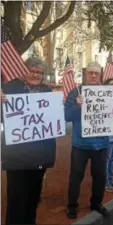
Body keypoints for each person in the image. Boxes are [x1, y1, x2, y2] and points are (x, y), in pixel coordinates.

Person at [1, 57, 56, 225]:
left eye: (39, 72)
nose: (35, 74)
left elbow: (54, 120)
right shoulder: (9, 89)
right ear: (23, 71)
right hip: (17, 156)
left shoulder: (47, 91)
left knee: (33, 198)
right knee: (16, 199)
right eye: (32, 70)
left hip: (39, 156)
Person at [65, 61, 113, 219]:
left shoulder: (108, 93)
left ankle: (96, 203)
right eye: (90, 73)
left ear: (100, 75)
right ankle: (72, 206)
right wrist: (77, 106)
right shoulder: (76, 92)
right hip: (80, 144)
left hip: (101, 143)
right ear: (85, 74)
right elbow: (66, 116)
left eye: (96, 73)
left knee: (100, 177)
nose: (93, 76)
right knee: (76, 176)